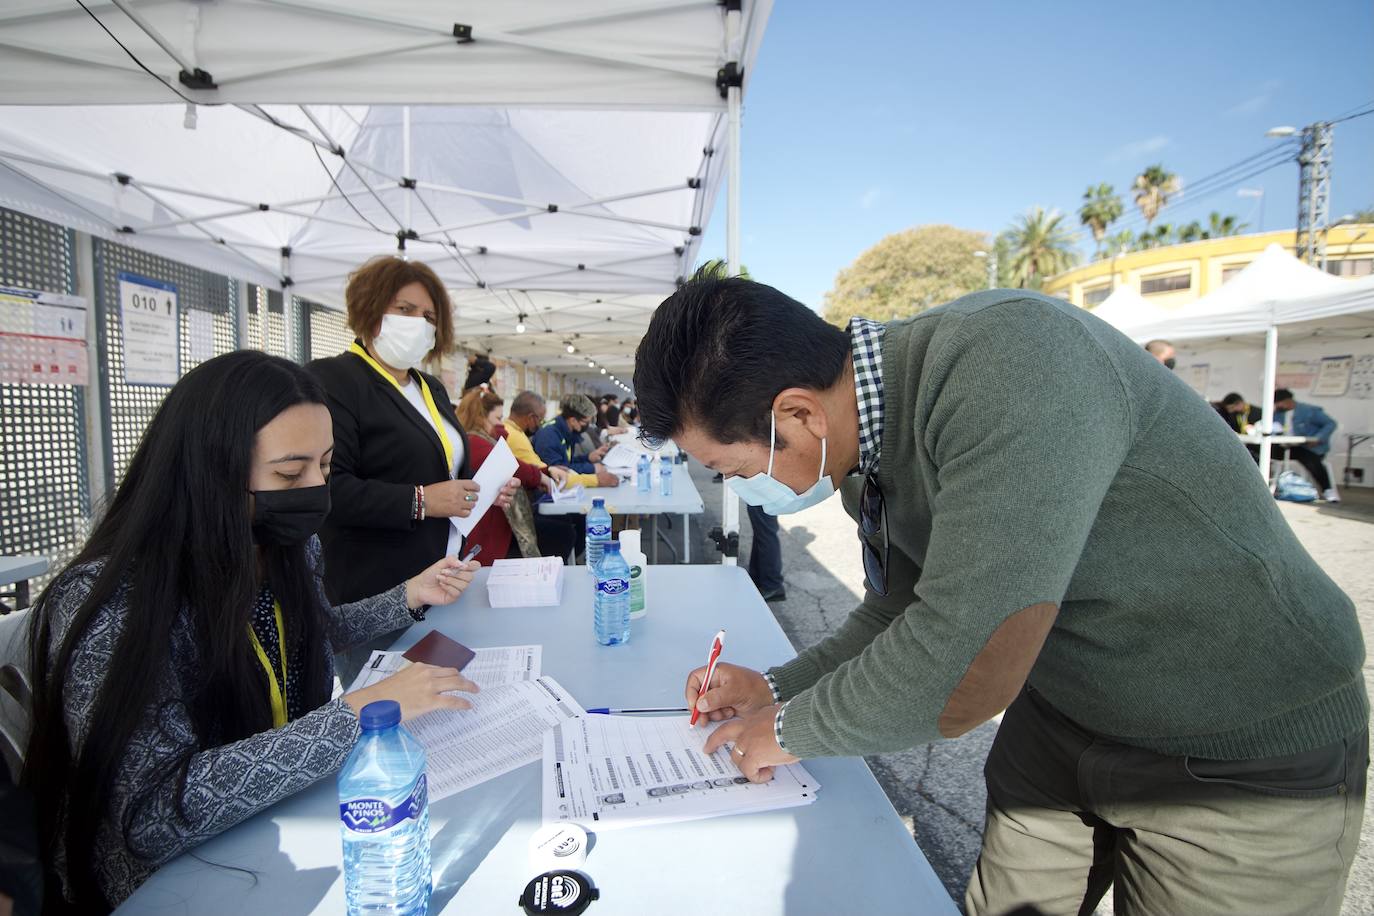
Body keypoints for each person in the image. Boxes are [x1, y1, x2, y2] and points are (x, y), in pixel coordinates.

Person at [633, 273, 1367, 916]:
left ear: (799, 415)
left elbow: (969, 662)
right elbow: (902, 612)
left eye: (734, 470)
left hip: (1237, 748)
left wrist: (789, 729)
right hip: (1065, 715)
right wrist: (775, 688)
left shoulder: (1014, 362)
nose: (739, 489)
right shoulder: (860, 451)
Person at [22, 351, 483, 911]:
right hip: (170, 885)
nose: (315, 489)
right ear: (209, 471)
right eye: (289, 473)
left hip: (270, 826)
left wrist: (408, 596)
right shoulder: (117, 605)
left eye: (326, 467)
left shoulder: (282, 547)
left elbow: (310, 633)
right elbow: (151, 816)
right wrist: (357, 715)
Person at [307, 257, 516, 605]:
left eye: (429, 317)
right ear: (370, 309)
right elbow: (329, 488)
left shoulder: (429, 387)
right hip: (377, 586)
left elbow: (436, 469)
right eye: (405, 309)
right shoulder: (334, 380)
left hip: (444, 574)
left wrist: (481, 491)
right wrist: (421, 501)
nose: (419, 323)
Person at [454, 388, 564, 563]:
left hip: (490, 526)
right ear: (481, 417)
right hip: (488, 533)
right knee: (563, 534)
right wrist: (541, 476)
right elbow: (511, 465)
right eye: (498, 418)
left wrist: (545, 472)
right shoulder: (475, 442)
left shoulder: (479, 440)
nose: (502, 424)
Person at [504, 391, 616, 560]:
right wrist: (595, 479)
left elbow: (561, 466)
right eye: (540, 419)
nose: (541, 423)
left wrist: (587, 459)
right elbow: (551, 473)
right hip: (534, 502)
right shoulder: (522, 437)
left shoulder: (518, 433)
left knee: (578, 521)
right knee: (567, 531)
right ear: (531, 417)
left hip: (533, 499)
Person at [1274, 388, 1340, 502]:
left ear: (1288, 401)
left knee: (1308, 458)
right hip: (1285, 447)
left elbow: (1330, 423)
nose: (1277, 406)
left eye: (1279, 403)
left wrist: (1319, 438)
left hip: (1308, 447)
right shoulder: (1278, 413)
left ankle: (1328, 489)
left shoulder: (1309, 411)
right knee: (1258, 451)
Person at [533, 395, 611, 475]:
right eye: (585, 422)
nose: (588, 426)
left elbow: (567, 461)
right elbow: (557, 469)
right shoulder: (548, 436)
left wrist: (588, 458)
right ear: (573, 420)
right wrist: (592, 468)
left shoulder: (566, 431)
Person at [746, 504, 785, 602]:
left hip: (764, 497)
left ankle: (772, 584)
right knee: (761, 533)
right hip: (763, 497)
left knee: (765, 534)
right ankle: (758, 579)